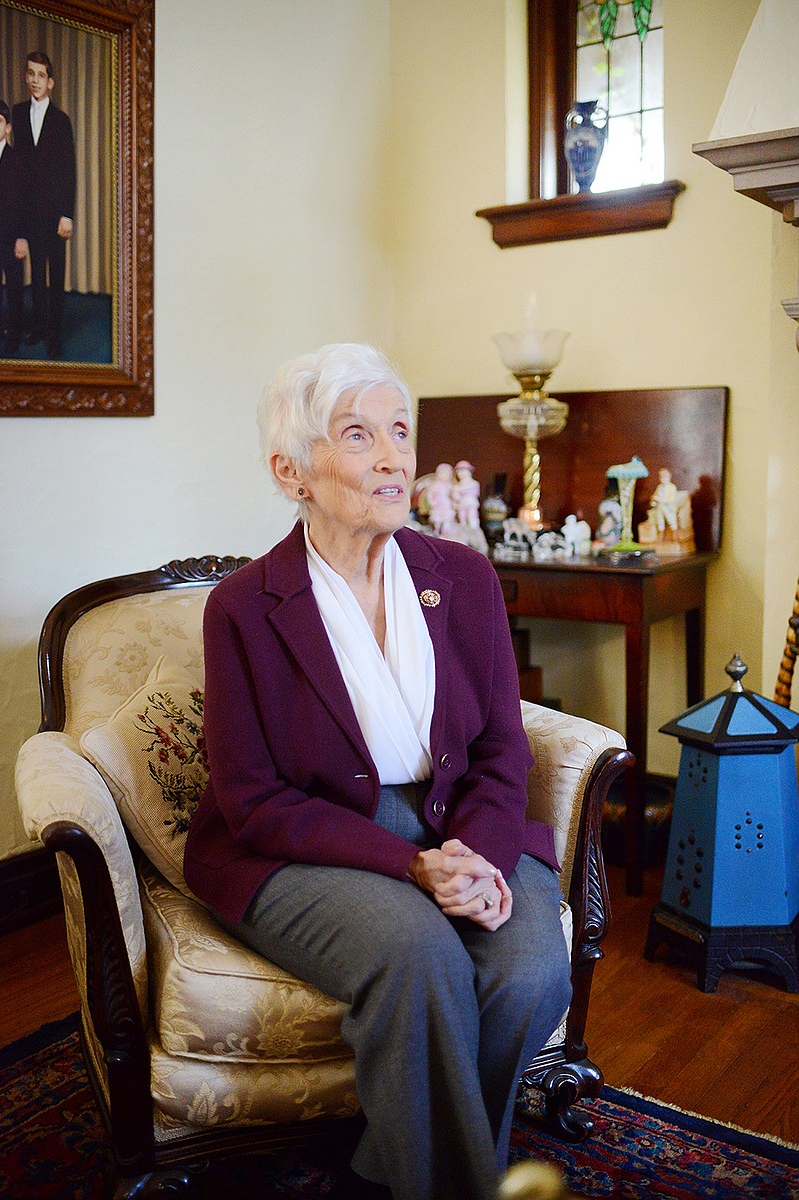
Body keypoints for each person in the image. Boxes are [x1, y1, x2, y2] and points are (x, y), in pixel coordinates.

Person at [183, 343, 571, 1200]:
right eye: (361, 436)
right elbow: (252, 798)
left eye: (401, 430)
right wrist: (410, 865)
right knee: (419, 953)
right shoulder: (244, 607)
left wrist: (475, 857)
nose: (397, 456)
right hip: (304, 847)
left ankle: (397, 1163)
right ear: (294, 471)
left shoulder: (464, 579)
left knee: (531, 965)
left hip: (456, 828)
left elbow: (502, 751)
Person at [12, 50, 75, 358]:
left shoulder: (62, 121)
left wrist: (67, 215)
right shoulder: (18, 115)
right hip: (31, 211)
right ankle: (37, 327)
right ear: (26, 78)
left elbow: (69, 170)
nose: (35, 80)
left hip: (55, 212)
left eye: (41, 75)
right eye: (30, 73)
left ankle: (55, 334)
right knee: (36, 272)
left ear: (51, 82)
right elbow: (19, 169)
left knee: (56, 272)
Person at [0, 99, 28, 356]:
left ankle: (14, 335)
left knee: (16, 287)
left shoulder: (17, 159)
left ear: (7, 127)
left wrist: (22, 237)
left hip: (11, 237)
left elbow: (24, 202)